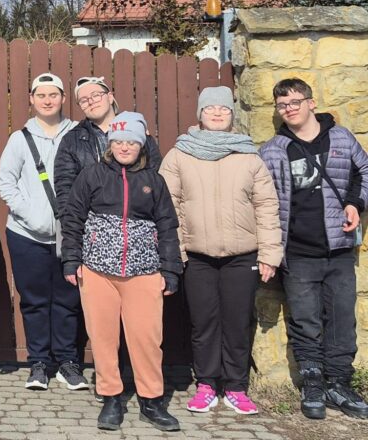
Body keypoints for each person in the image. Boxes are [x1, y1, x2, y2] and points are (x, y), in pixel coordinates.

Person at [160, 86, 282, 415]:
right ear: (199, 114)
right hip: (197, 257)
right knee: (203, 323)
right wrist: (175, 253)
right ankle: (206, 384)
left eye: (224, 109)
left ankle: (236, 387)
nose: (217, 113)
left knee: (237, 322)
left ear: (232, 115)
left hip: (241, 256)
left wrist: (269, 254)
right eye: (210, 108)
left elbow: (267, 207)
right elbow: (166, 208)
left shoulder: (248, 156)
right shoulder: (179, 155)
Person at [61, 111, 183, 432]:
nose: (125, 147)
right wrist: (71, 261)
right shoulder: (92, 175)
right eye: (119, 141)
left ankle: (151, 400)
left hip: (144, 271)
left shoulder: (154, 180)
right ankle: (111, 396)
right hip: (97, 270)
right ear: (110, 143)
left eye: (131, 141)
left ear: (141, 145)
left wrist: (171, 269)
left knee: (146, 338)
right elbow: (73, 218)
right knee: (103, 338)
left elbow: (168, 225)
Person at [259, 78, 368, 420]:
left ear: (311, 103)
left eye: (294, 102)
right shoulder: (274, 149)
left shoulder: (341, 137)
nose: (289, 109)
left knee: (341, 320)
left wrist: (355, 203)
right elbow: (262, 199)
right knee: (305, 322)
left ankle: (340, 383)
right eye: (282, 105)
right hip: (298, 253)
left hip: (338, 249)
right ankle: (313, 385)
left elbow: (365, 172)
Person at [0, 73, 85, 391]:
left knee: (67, 299)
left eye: (53, 94)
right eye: (41, 95)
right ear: (31, 99)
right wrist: (32, 216)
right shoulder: (19, 138)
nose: (47, 100)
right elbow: (6, 183)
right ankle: (38, 363)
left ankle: (67, 362)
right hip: (26, 234)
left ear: (64, 98)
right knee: (34, 300)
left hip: (70, 235)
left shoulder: (78, 134)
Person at [53, 76, 162, 215]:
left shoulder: (137, 131)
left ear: (110, 97)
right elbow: (65, 189)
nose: (91, 102)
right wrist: (71, 228)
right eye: (83, 100)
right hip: (91, 225)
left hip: (137, 222)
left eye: (96, 95)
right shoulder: (72, 141)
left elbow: (155, 175)